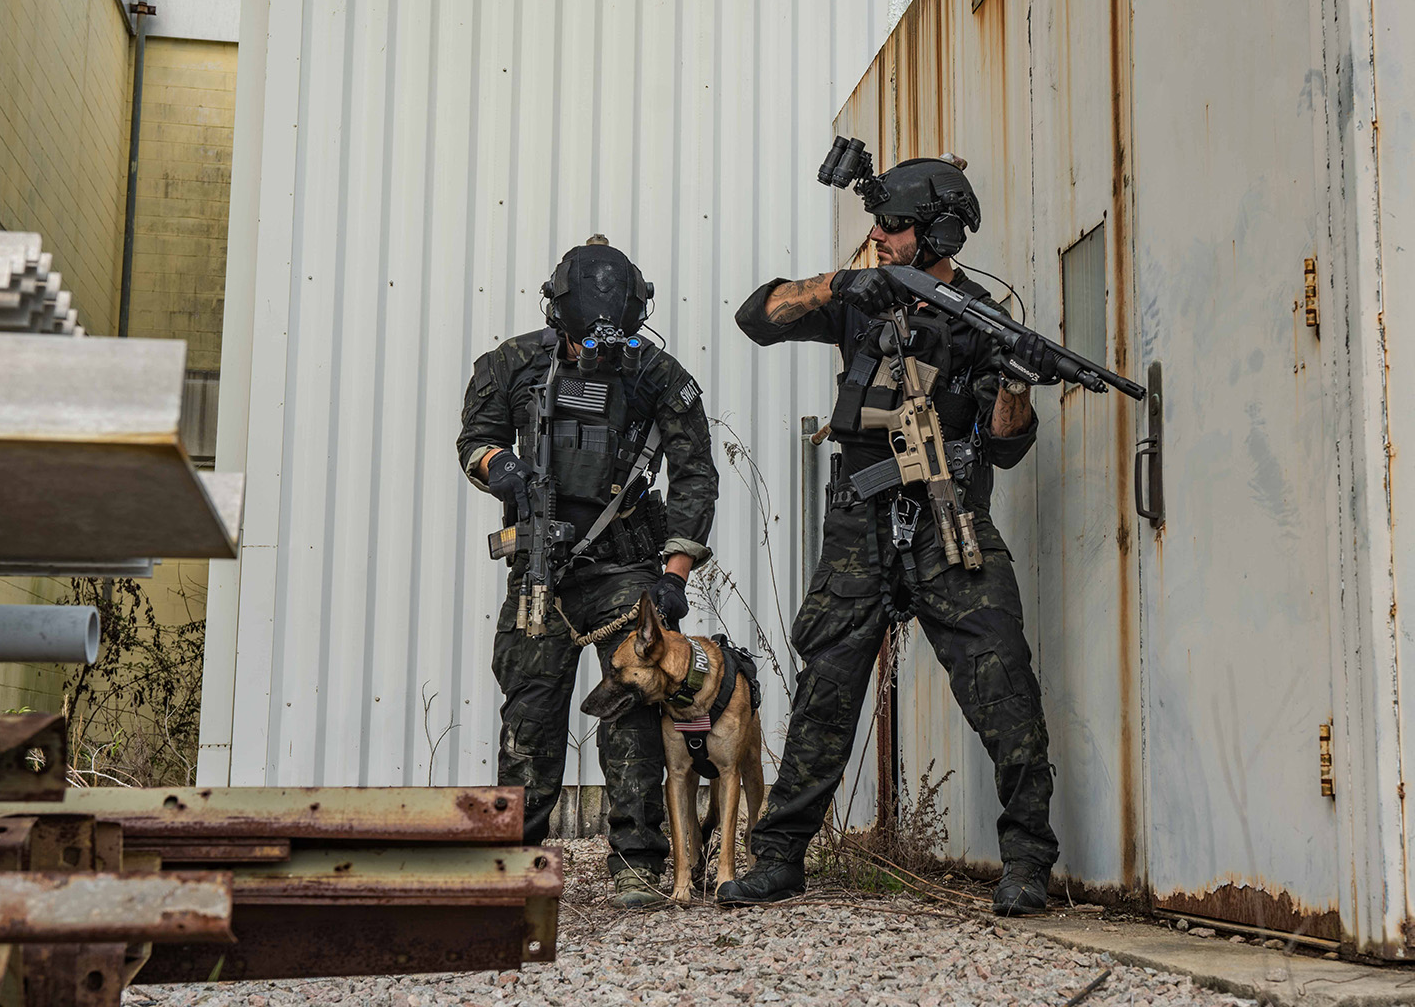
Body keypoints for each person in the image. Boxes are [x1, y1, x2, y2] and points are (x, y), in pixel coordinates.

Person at [718, 156, 1067, 916]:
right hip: (860, 524)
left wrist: (1014, 379)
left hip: (952, 526)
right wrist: (838, 286)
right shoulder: (860, 294)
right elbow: (756, 316)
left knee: (1003, 683)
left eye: (894, 226)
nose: (877, 235)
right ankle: (779, 857)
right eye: (877, 223)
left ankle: (1028, 863)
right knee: (824, 694)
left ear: (939, 233)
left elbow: (1007, 445)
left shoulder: (984, 316)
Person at [457, 236, 719, 907]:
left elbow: (695, 476)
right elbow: (476, 442)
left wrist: (677, 573)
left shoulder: (657, 376)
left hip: (625, 567)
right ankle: (515, 866)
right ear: (558, 312)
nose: (599, 344)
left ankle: (636, 862)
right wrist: (503, 470)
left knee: (630, 713)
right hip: (540, 567)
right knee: (531, 715)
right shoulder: (511, 364)